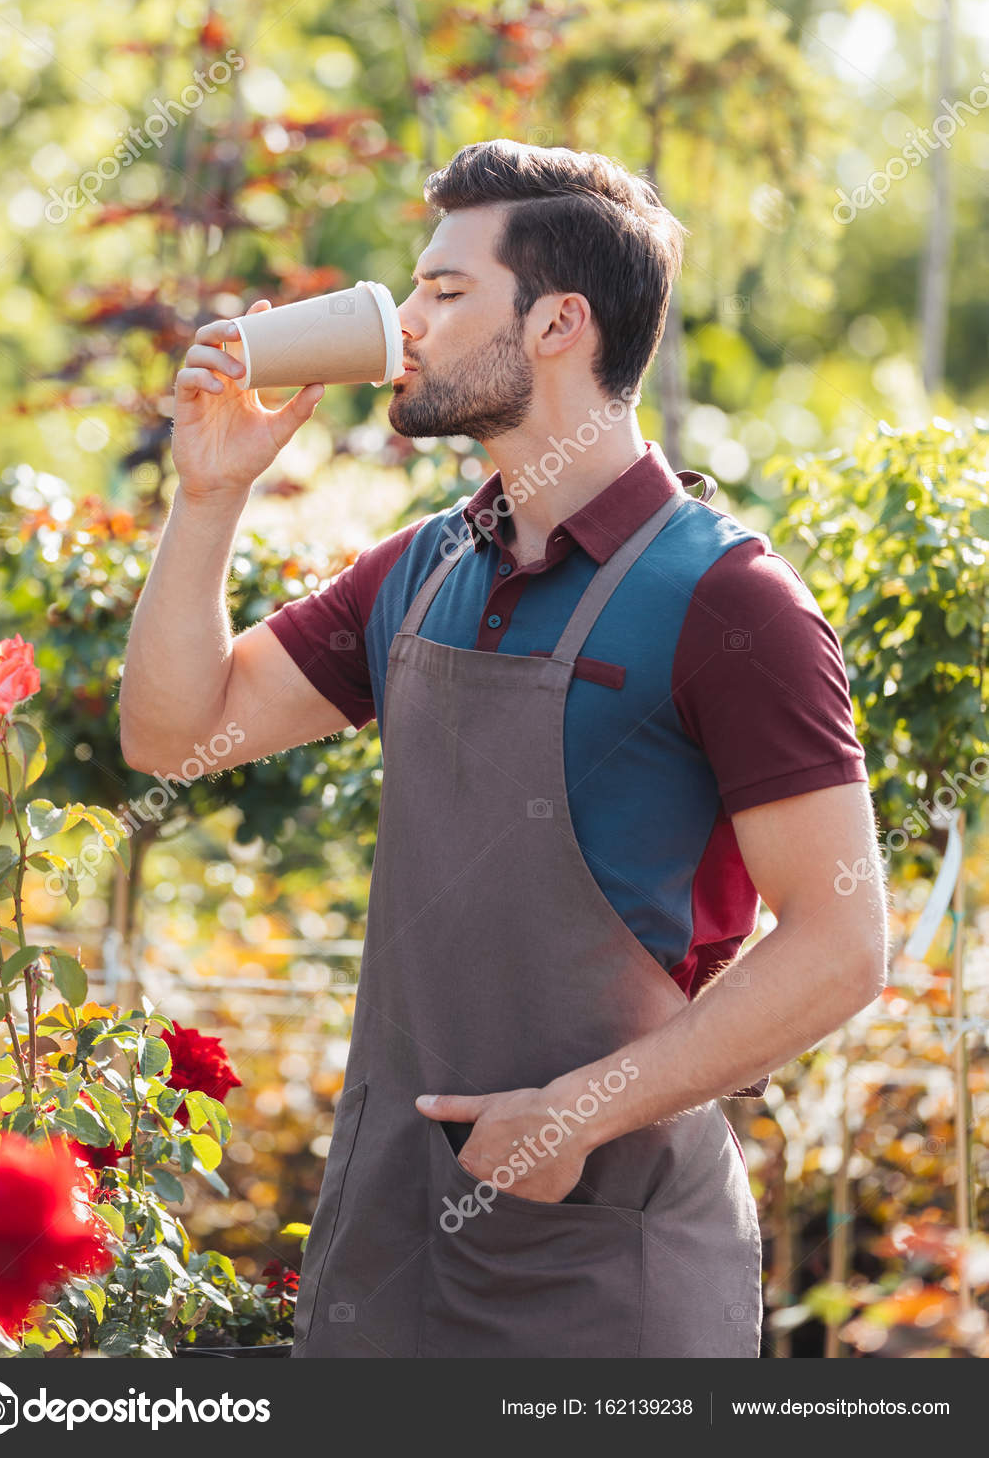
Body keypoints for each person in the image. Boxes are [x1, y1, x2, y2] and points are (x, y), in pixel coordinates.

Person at [119, 139, 887, 1359]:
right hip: (386, 1244)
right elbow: (175, 731)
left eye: (444, 290)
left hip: (606, 1270)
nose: (404, 323)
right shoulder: (418, 566)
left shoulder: (732, 600)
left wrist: (572, 1113)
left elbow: (843, 942)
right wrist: (207, 496)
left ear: (556, 323)